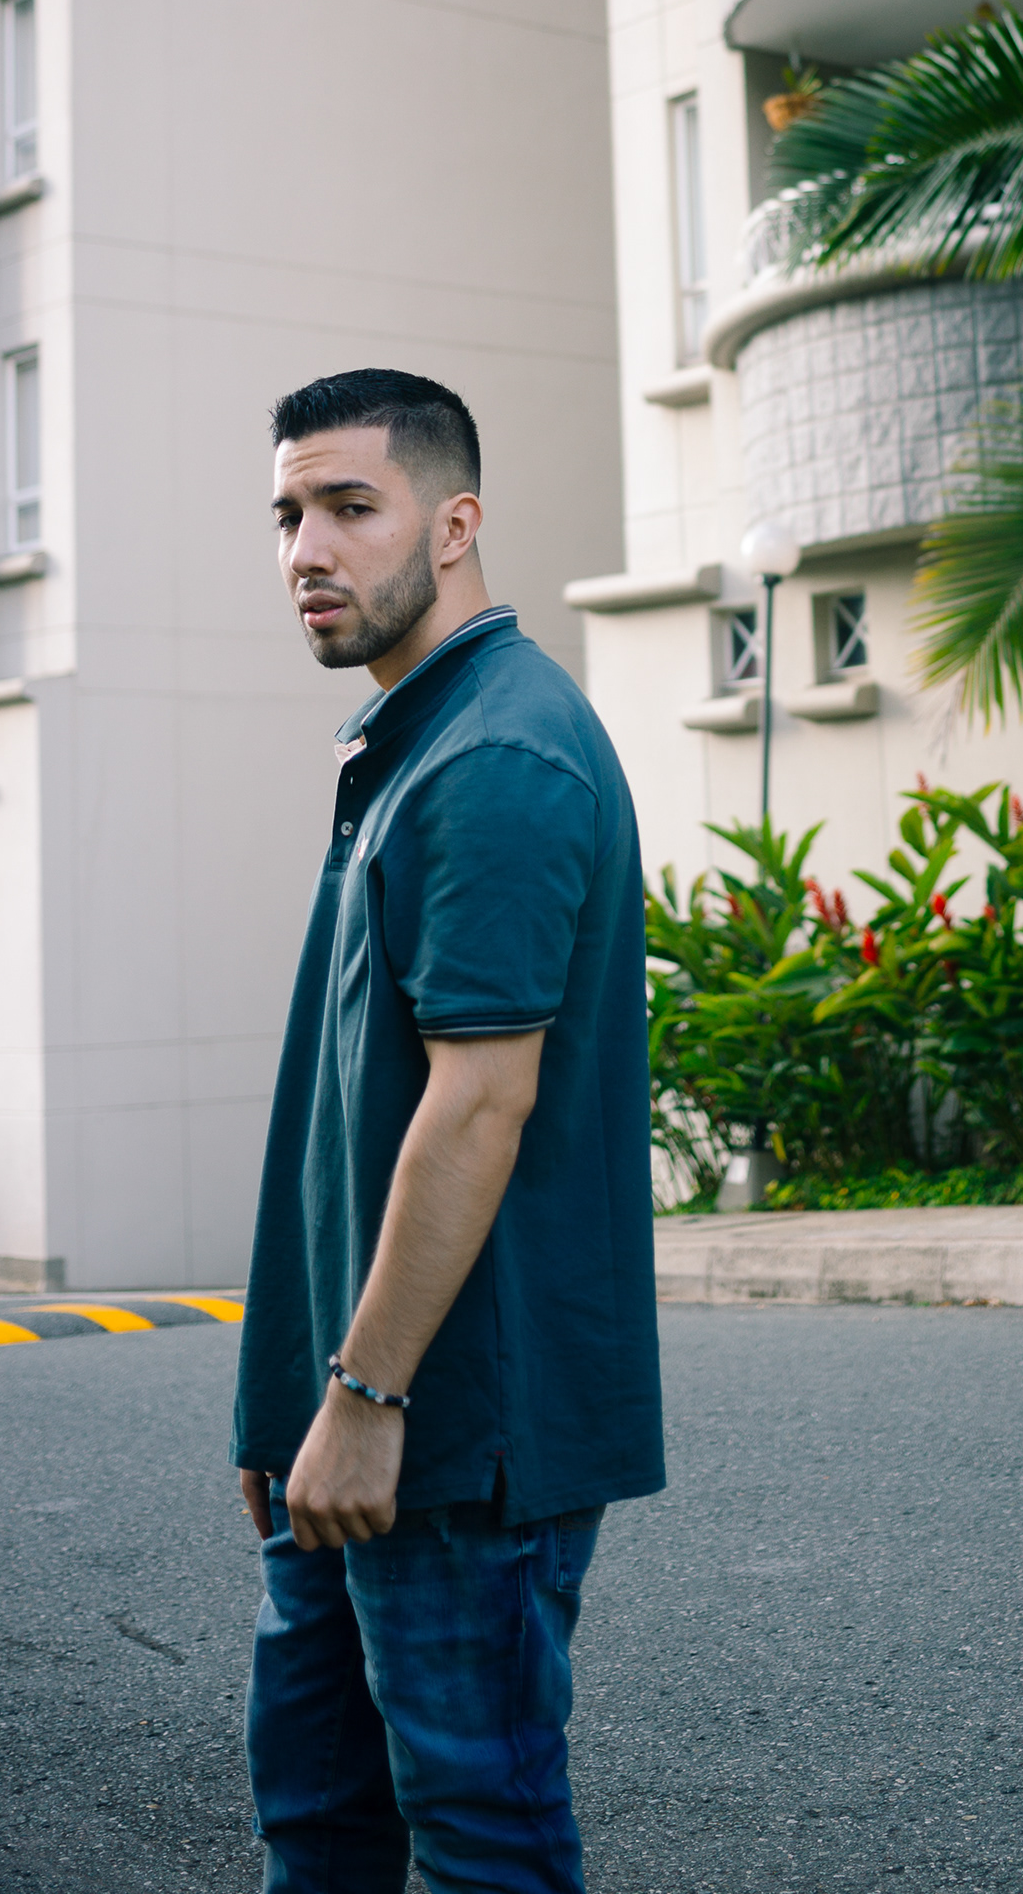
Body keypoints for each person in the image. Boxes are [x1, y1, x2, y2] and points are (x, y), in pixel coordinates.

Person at [231, 367, 664, 1894]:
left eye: (351, 506)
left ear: (457, 524)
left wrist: (361, 1395)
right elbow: (348, 1118)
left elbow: (482, 1102)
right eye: (288, 513)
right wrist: (289, 1402)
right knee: (319, 1821)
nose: (307, 549)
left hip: (451, 1429)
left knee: (483, 1836)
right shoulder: (415, 739)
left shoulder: (494, 757)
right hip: (356, 1416)